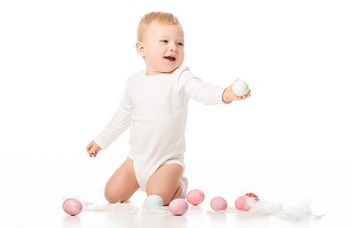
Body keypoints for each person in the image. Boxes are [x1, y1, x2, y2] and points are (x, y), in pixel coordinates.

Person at [86, 12, 251, 206]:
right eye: (164, 41)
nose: (174, 47)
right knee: (112, 195)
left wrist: (225, 94)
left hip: (167, 162)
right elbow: (122, 117)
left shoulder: (180, 77)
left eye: (180, 43)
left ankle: (178, 185)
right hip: (136, 161)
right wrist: (101, 140)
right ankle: (156, 185)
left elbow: (202, 90)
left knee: (156, 199)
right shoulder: (134, 82)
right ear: (142, 48)